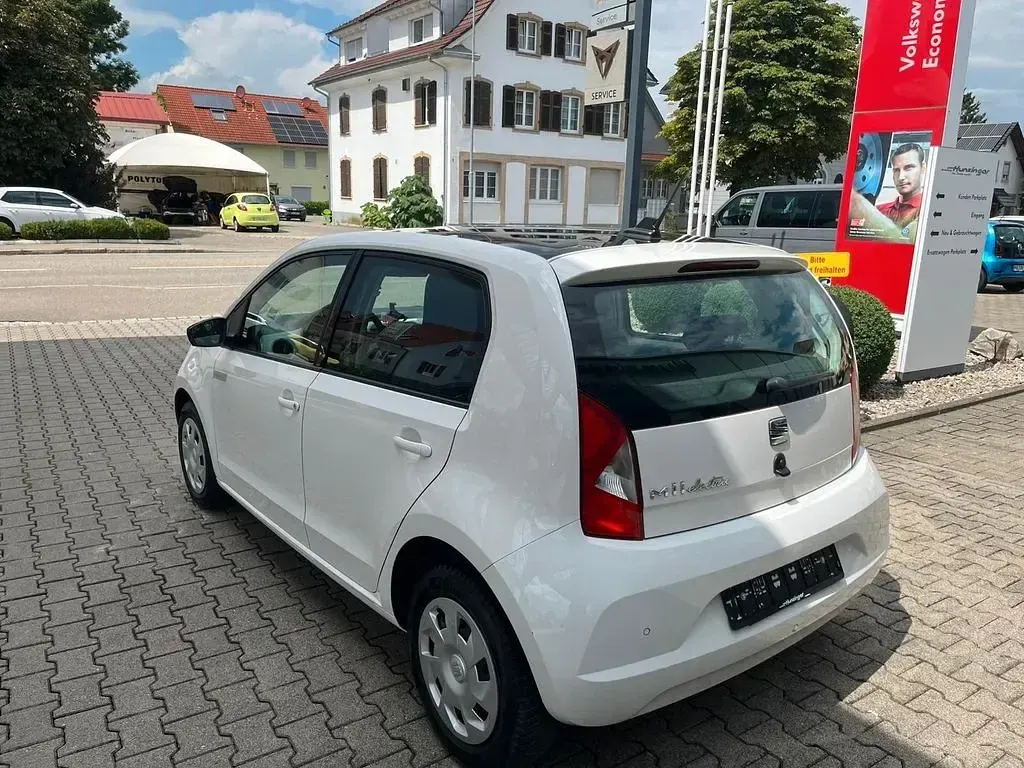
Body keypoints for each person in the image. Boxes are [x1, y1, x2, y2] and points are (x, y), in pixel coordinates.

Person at [848, 142, 927, 243]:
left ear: (923, 168)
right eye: (896, 170)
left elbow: (905, 242)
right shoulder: (880, 209)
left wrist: (856, 203)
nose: (901, 177)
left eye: (909, 168)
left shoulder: (926, 210)